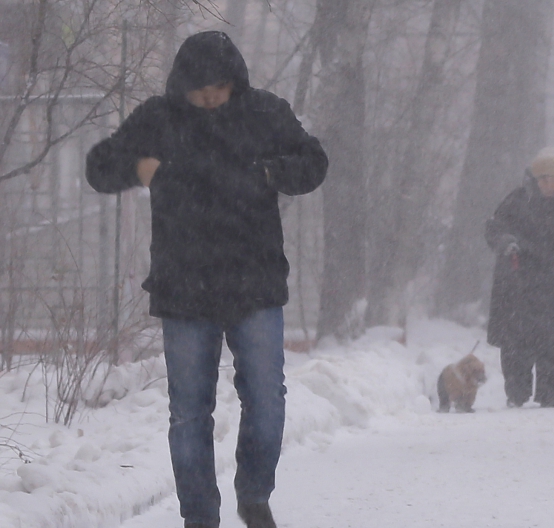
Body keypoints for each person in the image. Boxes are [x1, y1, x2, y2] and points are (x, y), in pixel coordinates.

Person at [85, 32, 328, 528]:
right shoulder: (159, 119)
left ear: (234, 80)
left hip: (254, 281)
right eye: (201, 90)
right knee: (188, 413)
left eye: (220, 86)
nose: (212, 97)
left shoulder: (264, 113)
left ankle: (254, 494)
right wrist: (139, 168)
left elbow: (314, 163)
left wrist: (271, 174)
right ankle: (199, 515)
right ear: (183, 87)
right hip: (183, 286)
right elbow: (98, 167)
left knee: (267, 398)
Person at [486, 147, 554, 409]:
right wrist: (506, 242)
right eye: (544, 179)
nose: (549, 185)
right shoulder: (516, 202)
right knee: (515, 344)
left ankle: (552, 395)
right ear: (534, 180)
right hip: (519, 286)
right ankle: (516, 393)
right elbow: (494, 227)